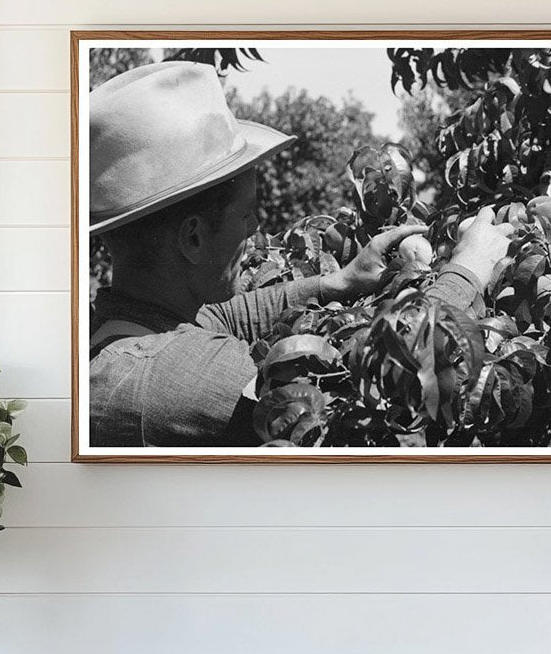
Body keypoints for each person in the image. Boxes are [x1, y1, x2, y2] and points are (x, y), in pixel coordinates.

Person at [88, 60, 512, 447]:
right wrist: (468, 269)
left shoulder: (122, 328)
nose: (256, 226)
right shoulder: (183, 379)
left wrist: (339, 282)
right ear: (193, 238)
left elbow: (225, 315)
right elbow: (362, 391)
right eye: (248, 212)